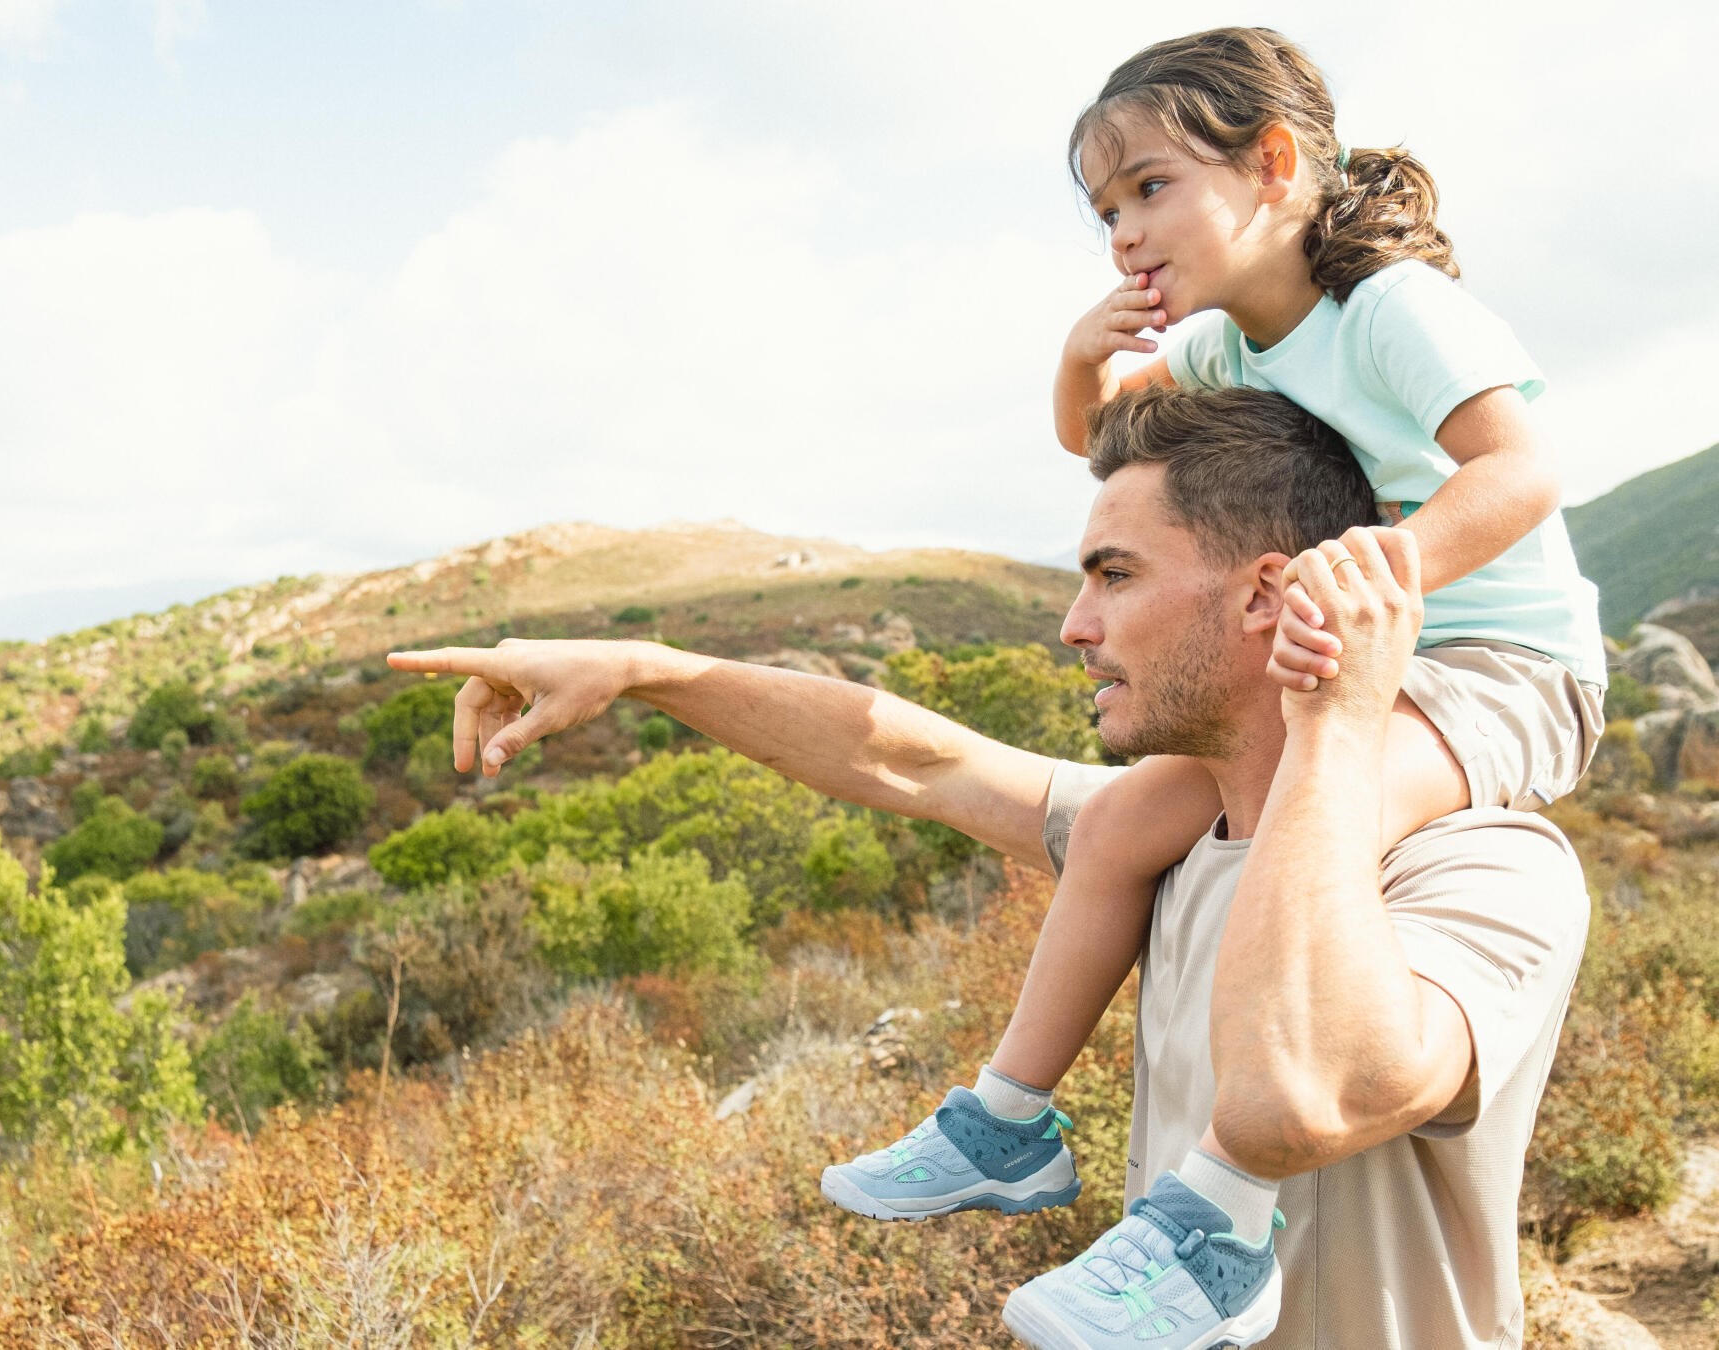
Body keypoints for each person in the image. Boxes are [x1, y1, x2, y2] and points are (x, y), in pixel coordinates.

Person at [386, 382, 1589, 1349]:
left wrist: (1336, 713)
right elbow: (910, 761)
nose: (1074, 624)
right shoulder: (1165, 835)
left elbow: (1304, 1094)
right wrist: (652, 669)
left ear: (1272, 595)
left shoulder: (1486, 870)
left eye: (1114, 574)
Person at [823, 28, 1606, 1345]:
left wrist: (1377, 577)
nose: (1124, 232)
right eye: (1103, 211)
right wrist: (1084, 354)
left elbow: (1521, 473)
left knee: (1313, 824)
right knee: (1131, 820)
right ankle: (1003, 1120)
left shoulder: (1390, 310)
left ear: (1276, 165)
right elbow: (1096, 435)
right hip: (1376, 656)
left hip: (1498, 668)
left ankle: (1220, 1223)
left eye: (1150, 188)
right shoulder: (1234, 352)